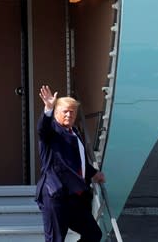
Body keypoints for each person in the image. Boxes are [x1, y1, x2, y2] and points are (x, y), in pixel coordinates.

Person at [35, 85, 105, 242]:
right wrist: (48, 108)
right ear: (56, 113)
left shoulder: (74, 133)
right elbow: (42, 129)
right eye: (65, 111)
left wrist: (94, 173)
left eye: (72, 112)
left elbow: (77, 163)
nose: (69, 114)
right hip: (56, 194)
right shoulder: (52, 131)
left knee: (93, 234)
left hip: (75, 197)